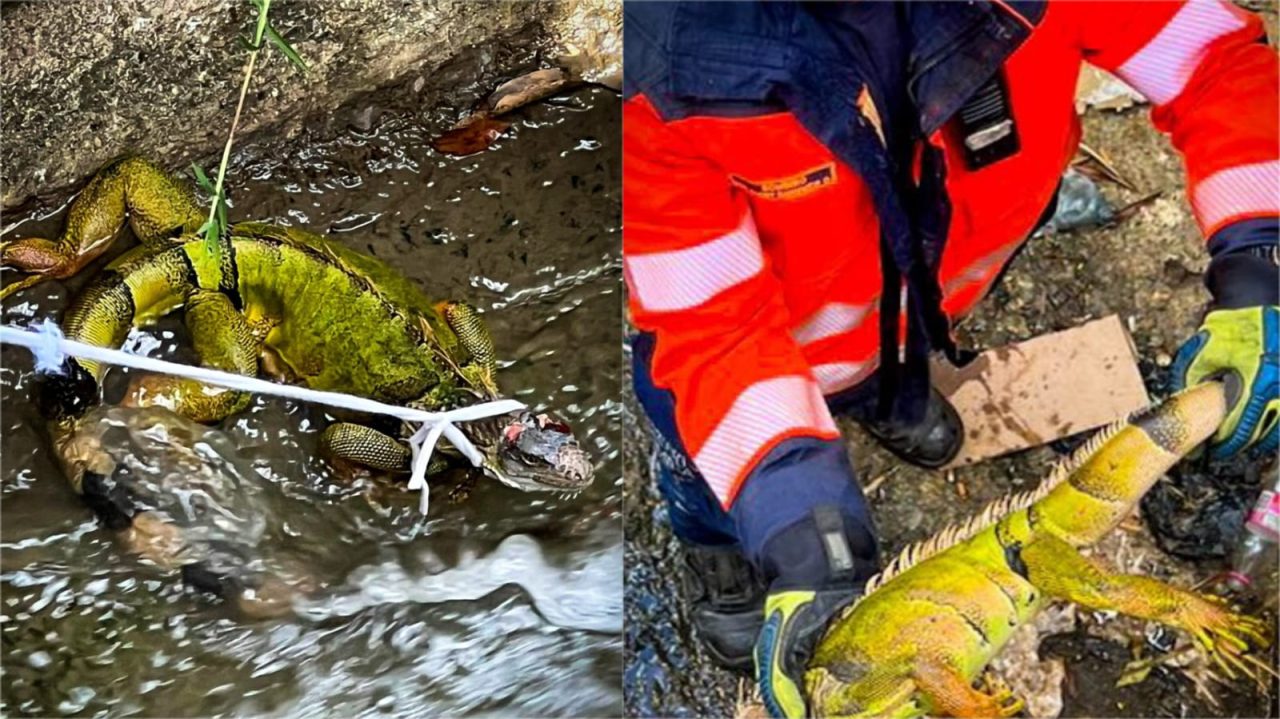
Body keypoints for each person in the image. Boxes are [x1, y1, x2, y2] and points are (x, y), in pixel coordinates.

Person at [621, 2, 1279, 716]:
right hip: (737, 383)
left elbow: (1215, 60)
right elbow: (710, 325)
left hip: (922, 316)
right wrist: (798, 525)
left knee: (898, 382)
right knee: (708, 484)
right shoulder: (665, 77)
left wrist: (1261, 259)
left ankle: (894, 402)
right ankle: (724, 554)